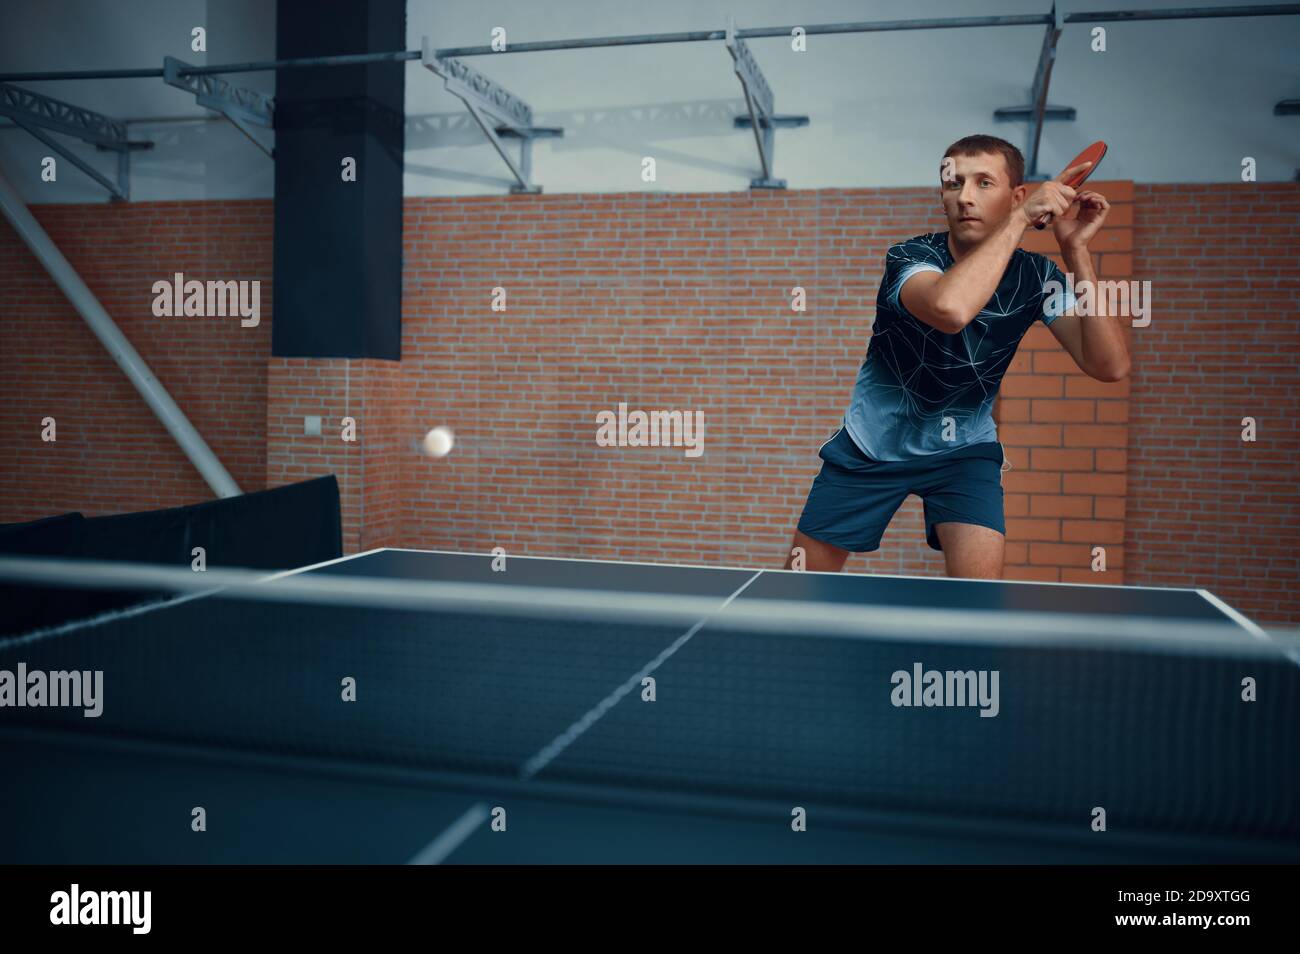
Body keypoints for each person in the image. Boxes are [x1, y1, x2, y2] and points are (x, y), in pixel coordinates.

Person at [786, 134, 1128, 579]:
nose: (965, 197)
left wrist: (1076, 253)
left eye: (984, 183)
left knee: (976, 605)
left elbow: (1110, 366)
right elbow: (951, 310)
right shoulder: (911, 257)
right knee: (798, 591)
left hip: (964, 452)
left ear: (1016, 194)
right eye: (953, 183)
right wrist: (1021, 220)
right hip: (871, 445)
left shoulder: (1036, 276)